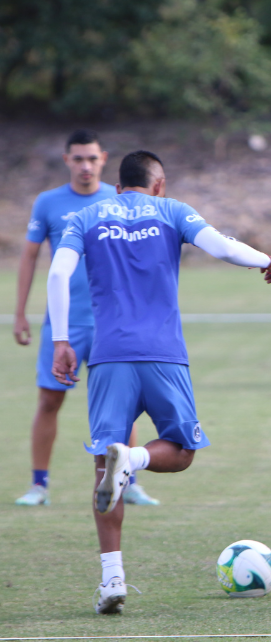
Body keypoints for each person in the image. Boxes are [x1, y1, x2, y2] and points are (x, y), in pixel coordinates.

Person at [47, 151, 271, 615]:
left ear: (118, 187)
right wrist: (267, 259)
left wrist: (60, 341)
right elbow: (221, 246)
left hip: (109, 358)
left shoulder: (88, 215)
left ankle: (112, 580)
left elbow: (58, 272)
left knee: (103, 472)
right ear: (159, 184)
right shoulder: (172, 209)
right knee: (181, 451)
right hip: (164, 356)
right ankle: (135, 458)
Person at [13, 130, 158, 507]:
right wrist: (20, 314)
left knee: (124, 404)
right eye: (78, 159)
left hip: (113, 324)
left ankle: (131, 482)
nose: (85, 166)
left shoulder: (119, 199)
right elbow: (29, 258)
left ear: (104, 159)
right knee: (49, 401)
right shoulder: (48, 203)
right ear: (67, 161)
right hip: (64, 325)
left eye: (92, 158)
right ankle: (38, 486)